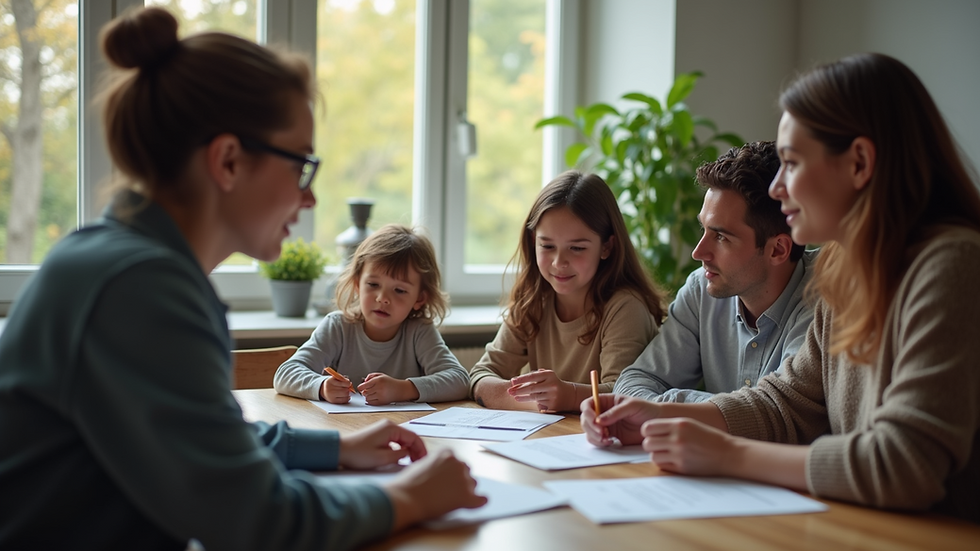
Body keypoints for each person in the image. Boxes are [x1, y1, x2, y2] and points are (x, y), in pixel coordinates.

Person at [0, 7, 485, 550]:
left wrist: (334, 449)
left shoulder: (125, 262)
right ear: (228, 161)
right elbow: (254, 517)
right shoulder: (140, 287)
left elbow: (200, 438)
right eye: (301, 164)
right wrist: (409, 497)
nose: (310, 196)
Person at [582, 52, 980, 523]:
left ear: (858, 163)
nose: (777, 189)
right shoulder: (847, 266)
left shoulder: (951, 265)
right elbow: (787, 403)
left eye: (791, 163)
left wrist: (728, 454)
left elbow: (904, 464)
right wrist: (656, 416)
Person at [614, 141, 817, 403]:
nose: (698, 253)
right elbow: (634, 382)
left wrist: (667, 406)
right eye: (704, 229)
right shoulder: (702, 289)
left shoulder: (823, 301)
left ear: (778, 250)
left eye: (721, 237)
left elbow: (776, 411)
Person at [469, 170, 666, 413]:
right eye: (548, 246)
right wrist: (537, 403)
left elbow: (625, 392)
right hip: (548, 437)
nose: (559, 262)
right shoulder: (532, 301)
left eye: (577, 248)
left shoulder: (626, 307)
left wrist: (569, 396)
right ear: (533, 242)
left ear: (606, 247)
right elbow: (480, 375)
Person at [274, 223, 470, 405]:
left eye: (399, 290)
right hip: (344, 431)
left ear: (419, 299)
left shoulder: (419, 332)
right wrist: (322, 387)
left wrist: (402, 389)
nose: (382, 298)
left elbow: (460, 380)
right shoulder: (338, 326)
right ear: (358, 284)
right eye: (373, 285)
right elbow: (285, 374)